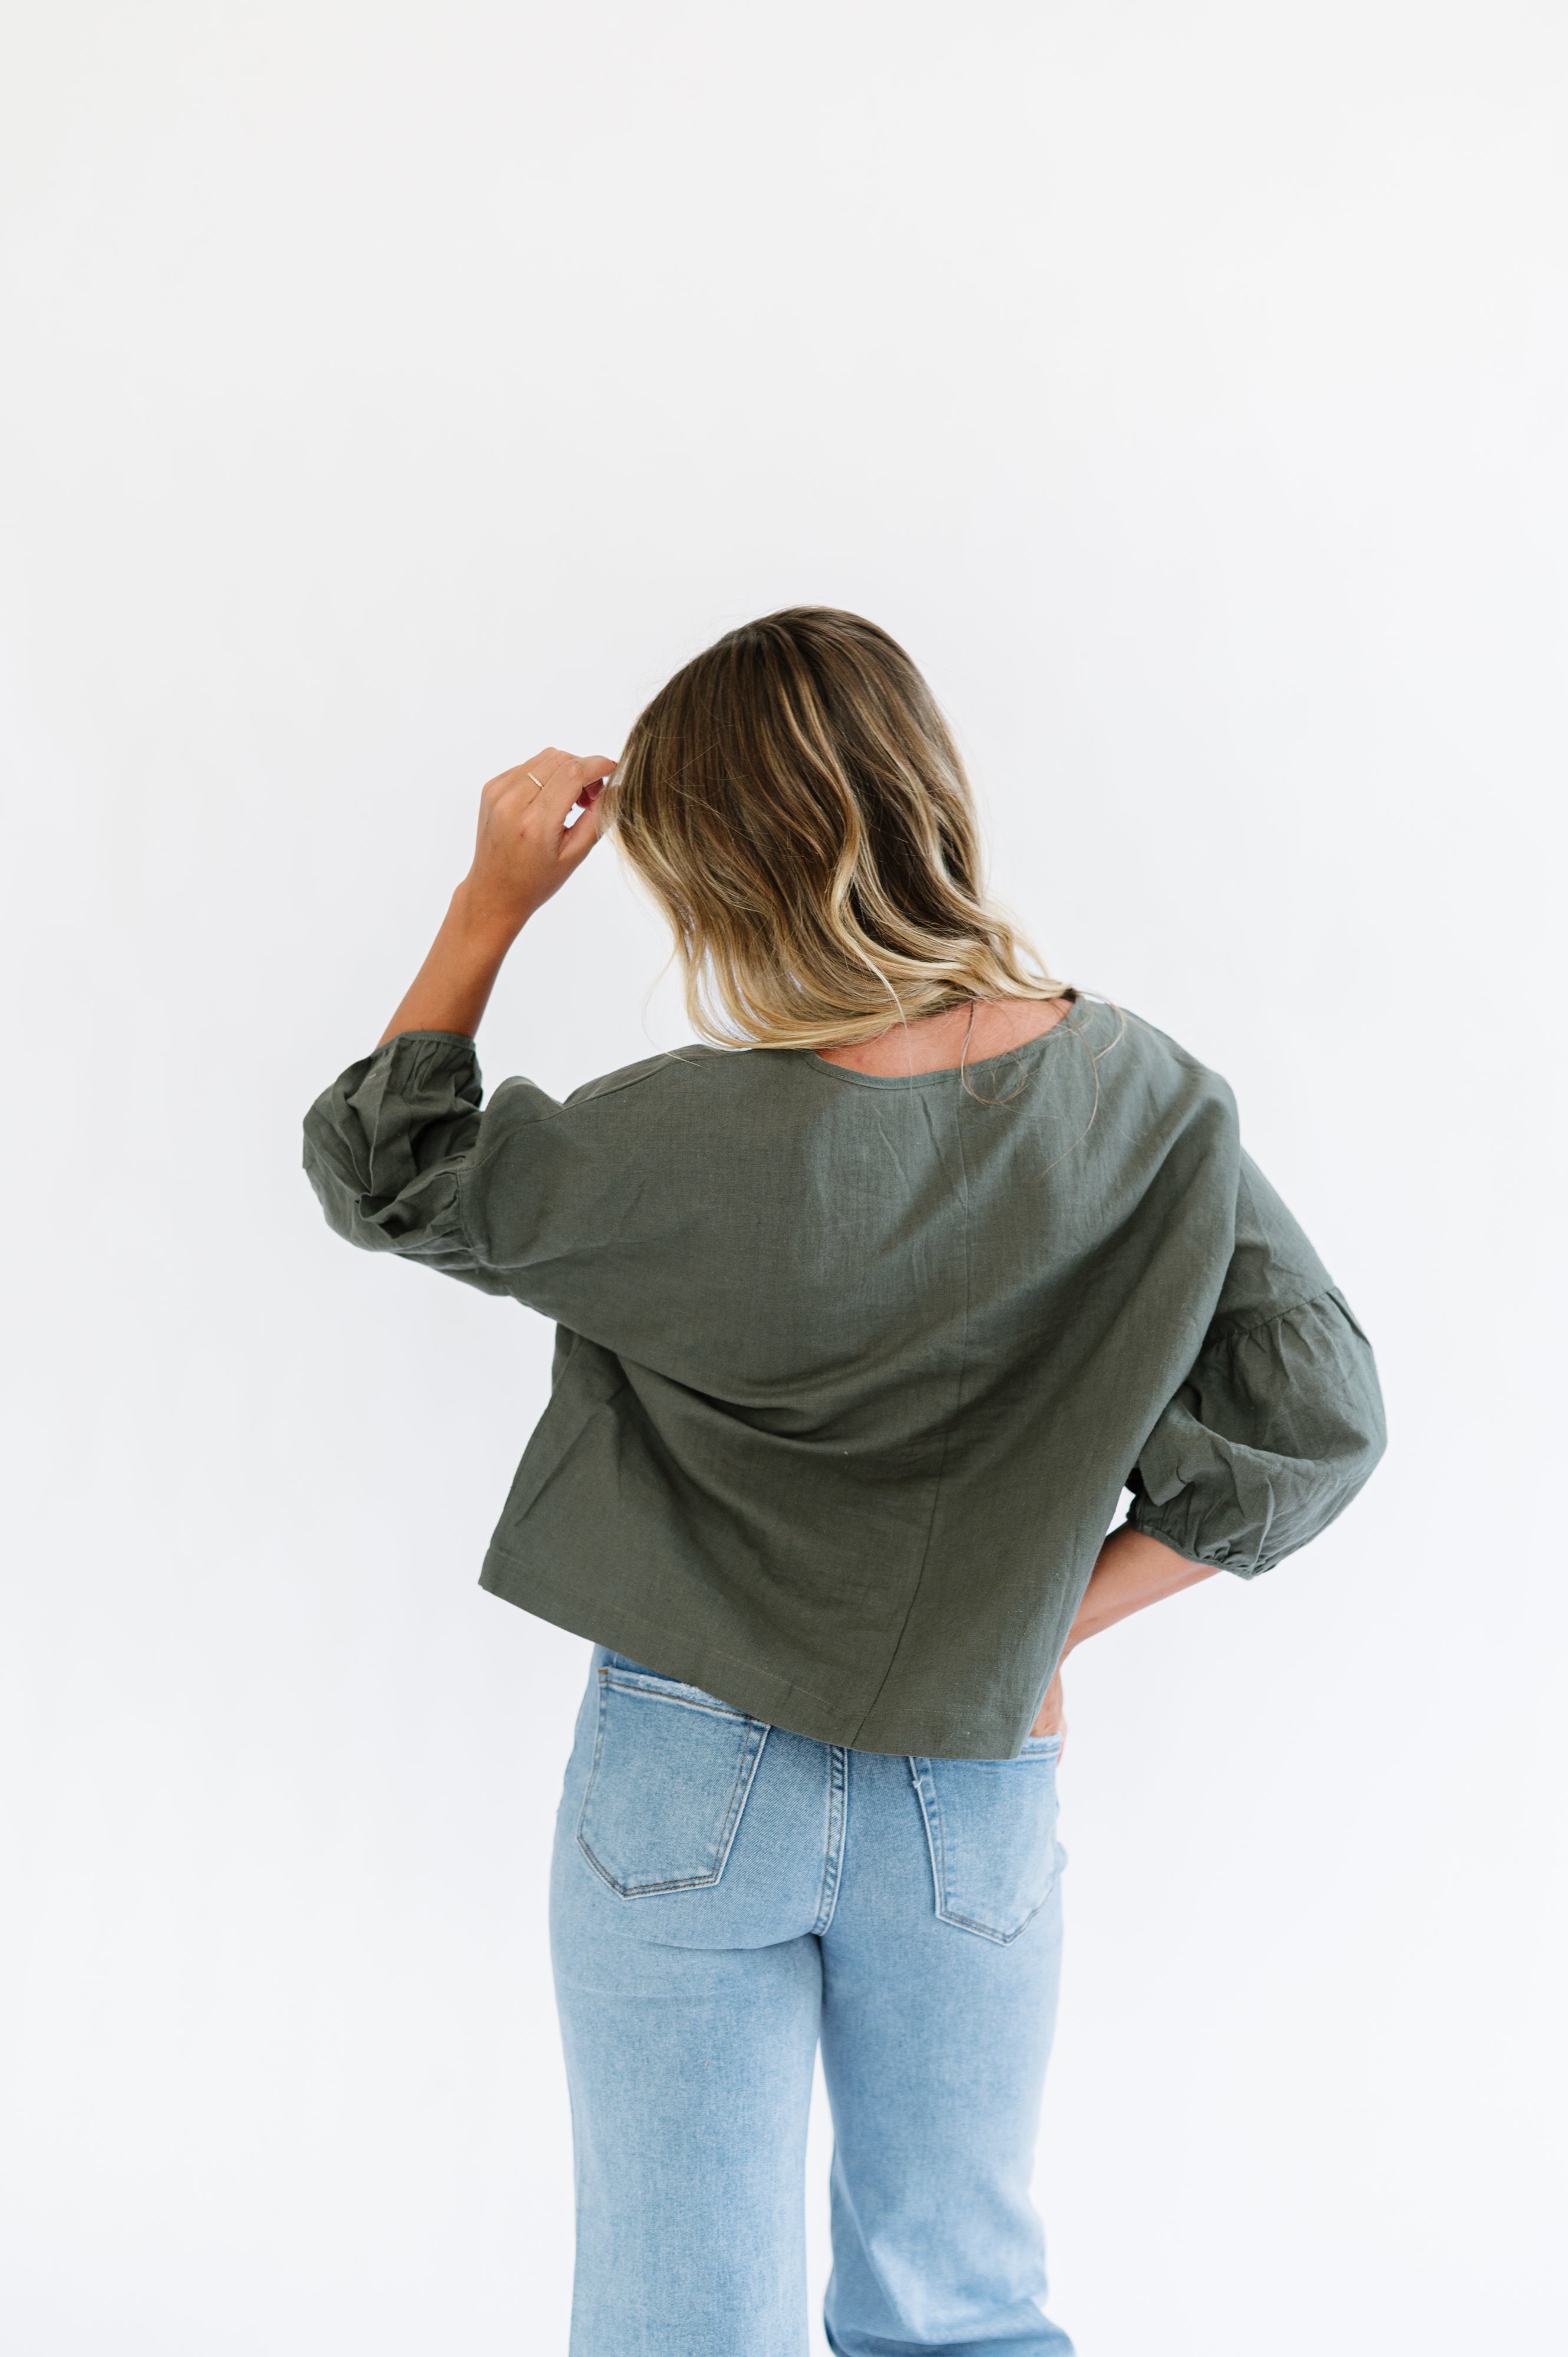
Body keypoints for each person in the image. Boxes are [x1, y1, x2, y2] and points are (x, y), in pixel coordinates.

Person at [303, 607, 1385, 2357]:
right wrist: (1049, 1624)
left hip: (686, 1764)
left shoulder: (671, 1133)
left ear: (721, 873)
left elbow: (386, 1170)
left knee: (679, 2325)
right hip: (975, 1775)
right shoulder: (1151, 1104)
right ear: (925, 792)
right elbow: (1320, 1422)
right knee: (963, 2314)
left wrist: (489, 904)